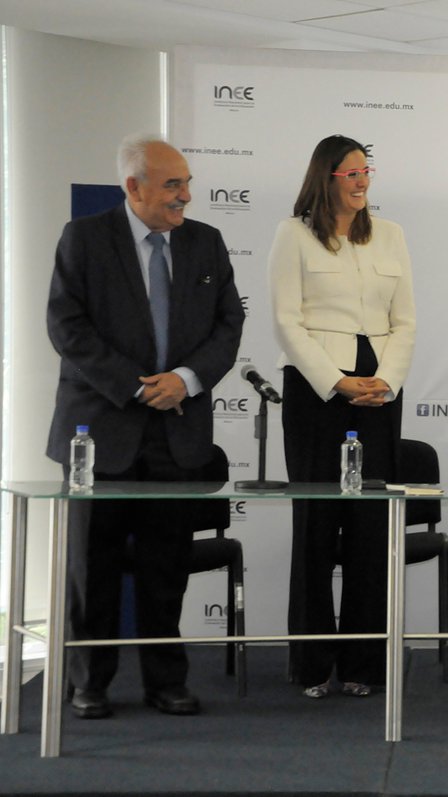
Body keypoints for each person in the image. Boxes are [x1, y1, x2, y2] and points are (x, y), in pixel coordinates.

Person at [46, 134, 245, 719]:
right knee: (92, 566)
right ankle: (89, 682)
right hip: (98, 434)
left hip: (176, 430)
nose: (186, 195)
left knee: (166, 567)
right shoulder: (84, 238)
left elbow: (229, 325)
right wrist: (136, 386)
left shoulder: (206, 242)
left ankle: (166, 681)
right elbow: (67, 326)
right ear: (133, 187)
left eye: (187, 183)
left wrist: (185, 378)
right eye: (172, 185)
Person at [269, 134, 416, 699]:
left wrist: (387, 381)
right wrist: (334, 381)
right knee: (315, 525)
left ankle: (363, 664)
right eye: (350, 173)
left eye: (365, 172)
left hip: (378, 389)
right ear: (325, 177)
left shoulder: (390, 234)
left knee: (369, 529)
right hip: (316, 392)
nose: (361, 181)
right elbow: (287, 321)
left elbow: (405, 321)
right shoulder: (293, 234)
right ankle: (311, 665)